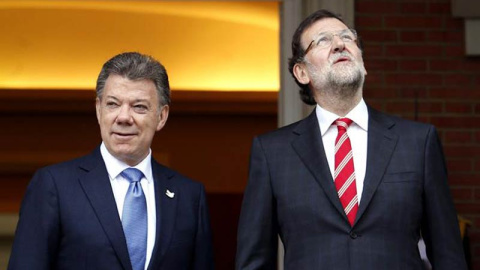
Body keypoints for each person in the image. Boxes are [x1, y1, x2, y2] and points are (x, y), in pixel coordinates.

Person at [236, 9, 467, 270]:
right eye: (322, 40)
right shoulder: (272, 153)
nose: (339, 44)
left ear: (363, 64)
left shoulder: (417, 142)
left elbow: (449, 256)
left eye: (347, 37)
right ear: (302, 73)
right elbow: (254, 261)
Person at [8, 52, 214, 270]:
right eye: (113, 104)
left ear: (161, 117)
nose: (124, 117)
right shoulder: (54, 186)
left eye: (139, 107)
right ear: (98, 110)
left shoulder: (189, 196)